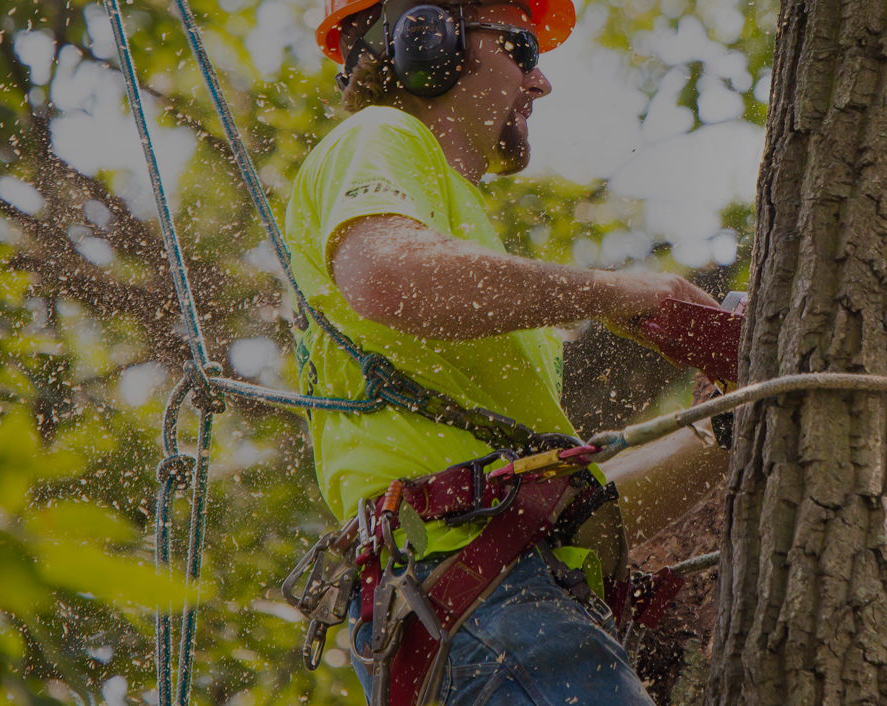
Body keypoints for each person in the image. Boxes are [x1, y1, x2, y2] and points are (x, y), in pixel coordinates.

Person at [284, 0, 729, 703]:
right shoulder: (379, 135)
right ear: (427, 39)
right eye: (522, 49)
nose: (539, 83)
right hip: (485, 604)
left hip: (506, 602)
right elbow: (388, 276)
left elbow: (578, 510)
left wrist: (724, 430)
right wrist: (620, 294)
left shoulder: (469, 255)